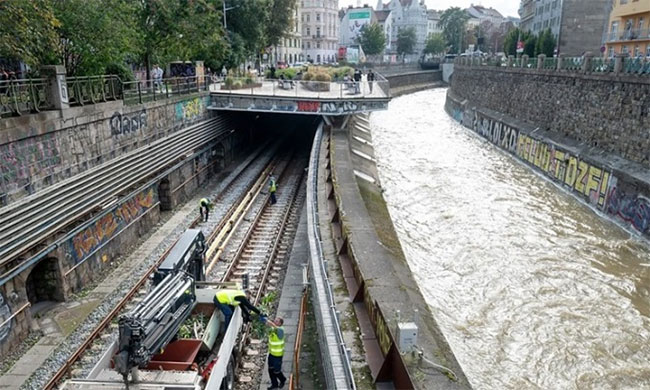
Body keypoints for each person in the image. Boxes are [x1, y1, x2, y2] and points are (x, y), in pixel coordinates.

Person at [265, 317, 286, 390]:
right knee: (270, 370)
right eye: (275, 320)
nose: (275, 321)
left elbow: (276, 328)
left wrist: (269, 322)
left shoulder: (281, 330)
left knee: (276, 371)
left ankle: (283, 379)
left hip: (278, 355)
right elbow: (269, 330)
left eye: (277, 321)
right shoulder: (273, 329)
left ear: (280, 323)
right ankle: (274, 384)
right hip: (271, 354)